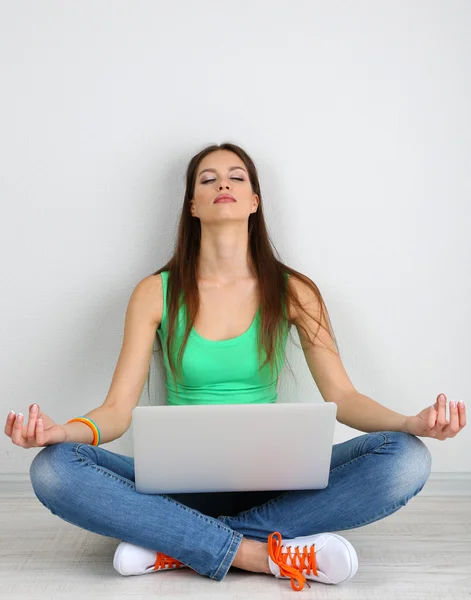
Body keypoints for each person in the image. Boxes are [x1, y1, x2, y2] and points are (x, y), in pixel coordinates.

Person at [5, 143, 466, 592]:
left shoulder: (295, 291)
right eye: (208, 179)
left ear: (253, 201)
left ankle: (178, 543)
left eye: (236, 177)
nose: (222, 183)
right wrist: (61, 432)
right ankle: (255, 553)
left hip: (274, 486)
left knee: (406, 458)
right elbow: (116, 412)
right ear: (192, 205)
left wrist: (411, 423)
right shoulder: (154, 292)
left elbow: (343, 399)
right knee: (53, 469)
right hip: (176, 487)